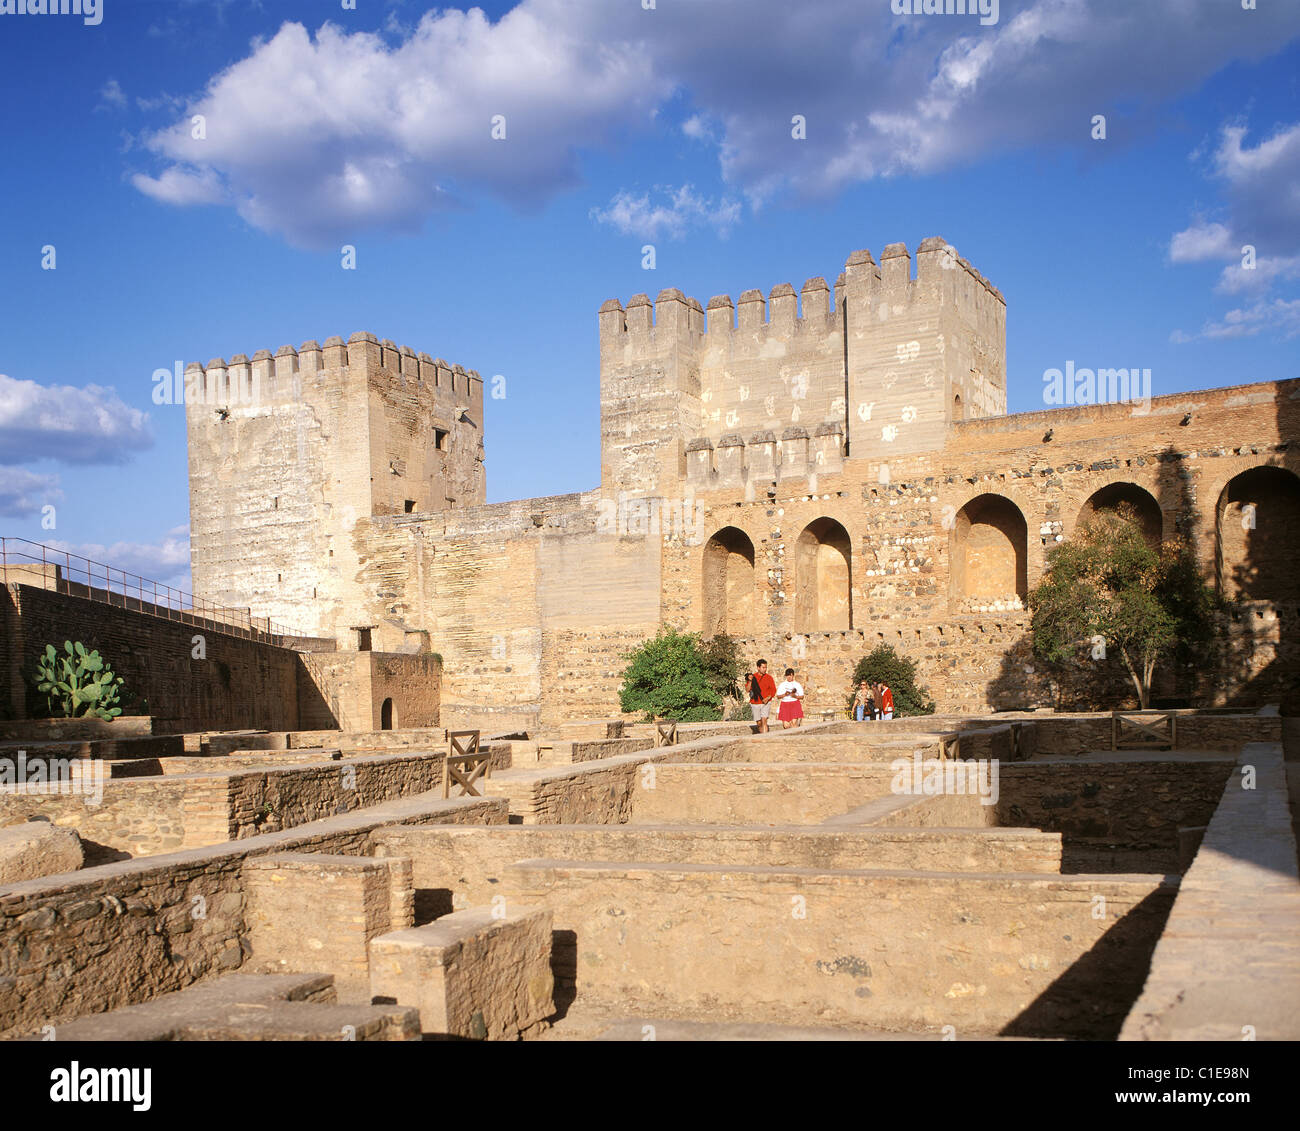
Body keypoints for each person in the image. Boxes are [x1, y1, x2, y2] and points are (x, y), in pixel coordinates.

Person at [744, 659, 777, 734]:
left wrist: (768, 698)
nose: (765, 669)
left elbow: (773, 690)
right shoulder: (753, 677)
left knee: (764, 720)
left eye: (765, 667)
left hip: (766, 702)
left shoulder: (769, 678)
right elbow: (747, 689)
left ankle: (765, 739)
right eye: (763, 667)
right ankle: (762, 732)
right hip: (755, 703)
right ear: (758, 668)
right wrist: (750, 681)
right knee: (759, 723)